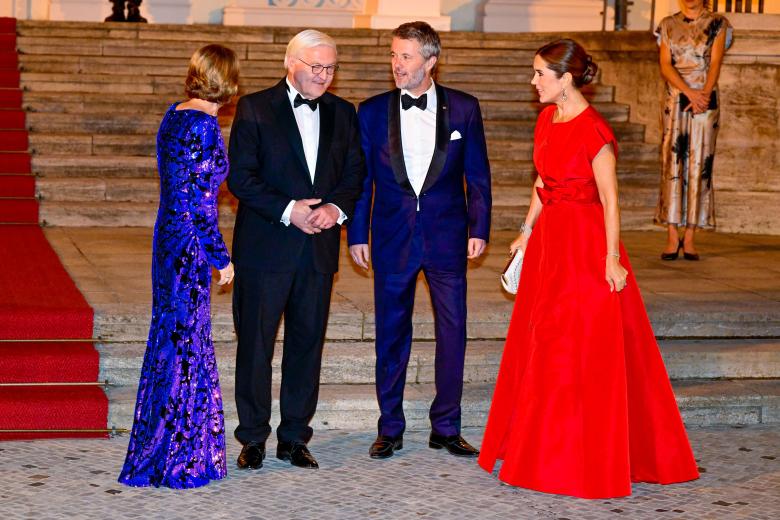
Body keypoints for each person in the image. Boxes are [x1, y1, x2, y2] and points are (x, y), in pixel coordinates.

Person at [477, 39, 700, 499]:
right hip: (548, 245)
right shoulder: (545, 119)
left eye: (541, 73)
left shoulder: (595, 131)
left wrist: (612, 258)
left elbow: (611, 201)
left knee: (577, 349)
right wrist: (525, 230)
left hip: (584, 244)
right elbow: (543, 182)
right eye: (535, 72)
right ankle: (539, 446)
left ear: (566, 79)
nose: (533, 81)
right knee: (542, 343)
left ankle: (576, 453)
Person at [348, 21, 492, 460]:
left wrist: (479, 228)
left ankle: (446, 426)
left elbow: (478, 177)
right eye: (393, 55)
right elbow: (362, 180)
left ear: (431, 61)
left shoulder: (465, 108)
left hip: (447, 237)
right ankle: (390, 426)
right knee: (391, 332)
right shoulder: (370, 111)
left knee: (453, 333)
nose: (396, 64)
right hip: (391, 237)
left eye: (405, 56)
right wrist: (357, 233)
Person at [227, 29, 365, 471]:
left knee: (307, 345)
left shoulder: (345, 113)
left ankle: (294, 437)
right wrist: (290, 210)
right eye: (316, 67)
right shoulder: (254, 107)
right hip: (266, 246)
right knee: (255, 345)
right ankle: (252, 438)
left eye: (330, 68)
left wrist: (334, 208)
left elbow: (355, 173)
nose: (324, 76)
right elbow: (241, 178)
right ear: (292, 64)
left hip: (318, 250)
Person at [118, 44, 238, 489]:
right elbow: (200, 204)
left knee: (170, 339)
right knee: (187, 345)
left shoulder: (175, 113)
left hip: (165, 238)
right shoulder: (205, 126)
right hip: (188, 244)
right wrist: (220, 257)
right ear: (227, 80)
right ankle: (181, 458)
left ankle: (157, 450)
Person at [655, 0, 732, 260]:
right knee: (671, 161)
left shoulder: (718, 23)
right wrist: (688, 92)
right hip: (675, 97)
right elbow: (665, 65)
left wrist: (703, 94)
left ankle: (690, 236)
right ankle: (671, 233)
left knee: (700, 163)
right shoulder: (667, 24)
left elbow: (716, 63)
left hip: (705, 97)